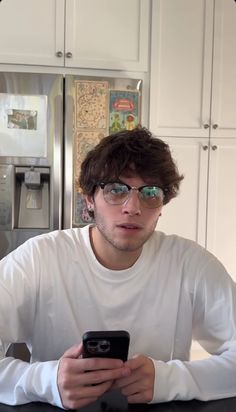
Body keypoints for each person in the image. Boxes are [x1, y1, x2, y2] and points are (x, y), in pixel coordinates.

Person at [0, 127, 236, 410]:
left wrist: (169, 379)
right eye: (116, 190)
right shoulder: (38, 259)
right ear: (89, 199)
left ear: (162, 205)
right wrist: (45, 380)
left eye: (151, 192)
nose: (133, 207)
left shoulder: (190, 264)